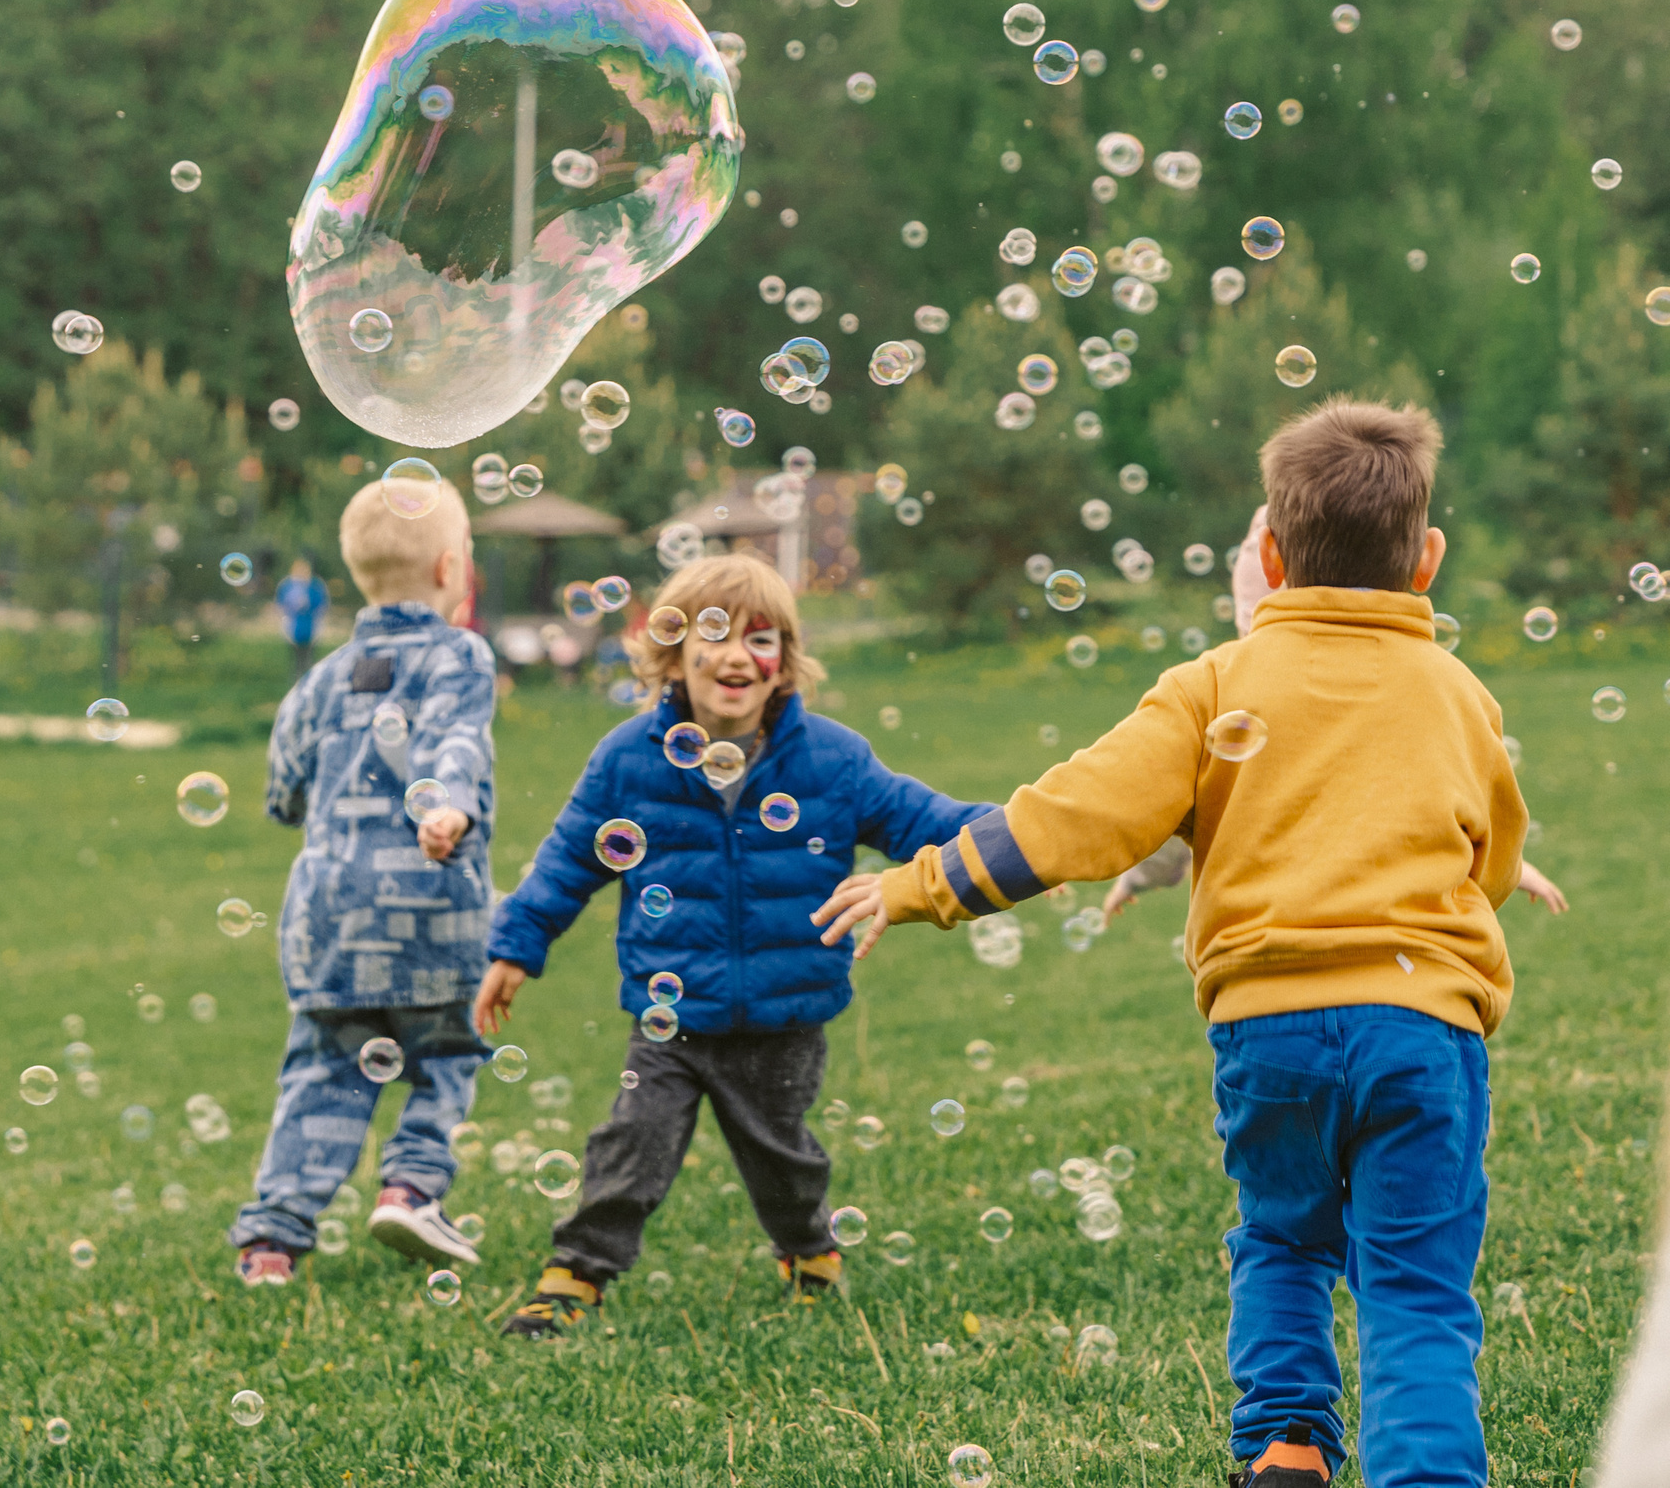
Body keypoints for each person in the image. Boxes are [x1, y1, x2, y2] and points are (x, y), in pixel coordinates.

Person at [818, 400, 1524, 1488]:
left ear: (1273, 558)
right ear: (1425, 561)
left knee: (1282, 1240)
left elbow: (1073, 819)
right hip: (1422, 1028)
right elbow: (1491, 852)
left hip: (1268, 1029)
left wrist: (921, 883)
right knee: (1415, 1287)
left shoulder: (1213, 685)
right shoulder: (1459, 696)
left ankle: (1286, 1448)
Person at [475, 552, 993, 1339]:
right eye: (711, 635)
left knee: (782, 1156)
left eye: (760, 637)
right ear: (671, 655)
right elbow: (567, 859)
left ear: (784, 660)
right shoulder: (628, 759)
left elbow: (922, 818)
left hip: (787, 1011)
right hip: (671, 1013)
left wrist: (1018, 845)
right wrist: (515, 947)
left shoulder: (834, 760)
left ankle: (808, 1247)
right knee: (631, 1143)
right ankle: (576, 1271)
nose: (734, 654)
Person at [229, 477, 495, 1286]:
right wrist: (446, 808)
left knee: (321, 1070)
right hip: (432, 910)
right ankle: (412, 1186)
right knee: (449, 1050)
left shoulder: (319, 679)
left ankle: (272, 1238)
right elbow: (456, 744)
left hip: (327, 917)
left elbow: (282, 793)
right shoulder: (460, 655)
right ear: (453, 567)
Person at [1102, 504, 1566, 922]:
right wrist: (1502, 867)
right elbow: (1455, 805)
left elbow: (1158, 801)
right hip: (1396, 954)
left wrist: (1130, 876)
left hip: (1265, 959)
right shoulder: (1401, 683)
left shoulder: (1220, 692)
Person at [274, 556, 330, 677]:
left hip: (310, 626)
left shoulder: (315, 585)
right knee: (296, 658)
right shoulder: (287, 585)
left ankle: (308, 680)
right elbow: (280, 605)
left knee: (309, 657)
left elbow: (322, 605)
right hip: (293, 626)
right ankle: (297, 681)